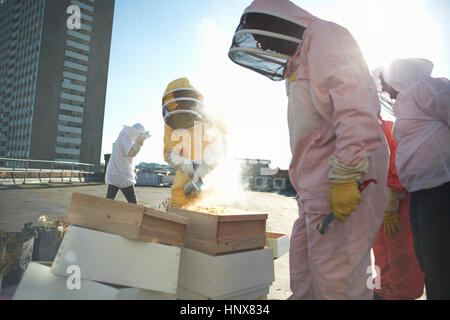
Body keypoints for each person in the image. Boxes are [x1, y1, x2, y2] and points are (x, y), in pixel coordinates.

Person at [228, 0, 389, 299]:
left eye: (262, 36)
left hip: (341, 183)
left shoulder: (325, 36)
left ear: (278, 23)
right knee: (305, 277)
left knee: (338, 283)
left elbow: (354, 110)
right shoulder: (298, 60)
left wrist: (346, 175)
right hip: (314, 193)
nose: (262, 44)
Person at [380, 58, 450, 300]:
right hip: (420, 190)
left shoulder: (428, 88)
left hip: (441, 186)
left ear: (397, 78)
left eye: (384, 83)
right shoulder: (405, 104)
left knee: (441, 261)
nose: (384, 90)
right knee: (428, 260)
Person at [372, 116, 424, 300]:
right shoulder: (357, 133)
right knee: (380, 250)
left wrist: (391, 204)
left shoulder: (390, 130)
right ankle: (381, 288)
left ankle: (401, 294)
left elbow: (398, 163)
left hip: (398, 206)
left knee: (400, 253)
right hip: (376, 206)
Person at [162, 78, 226, 208]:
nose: (183, 102)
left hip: (211, 189)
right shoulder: (172, 121)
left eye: (187, 97)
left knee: (211, 220)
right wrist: (186, 165)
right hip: (182, 190)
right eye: (179, 98)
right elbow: (169, 152)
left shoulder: (211, 115)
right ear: (174, 98)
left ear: (194, 96)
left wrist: (208, 164)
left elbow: (224, 141)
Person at [105, 123, 150, 204]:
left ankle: (103, 215)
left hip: (114, 174)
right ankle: (135, 216)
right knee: (133, 203)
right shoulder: (126, 138)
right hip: (123, 176)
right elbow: (131, 153)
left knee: (108, 201)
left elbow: (125, 157)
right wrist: (139, 142)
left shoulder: (123, 135)